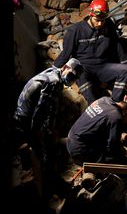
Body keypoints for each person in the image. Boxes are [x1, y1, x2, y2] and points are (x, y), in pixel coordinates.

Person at [12, 58, 83, 202]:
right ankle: (45, 193)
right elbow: (41, 116)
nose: (71, 80)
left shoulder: (50, 73)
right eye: (71, 75)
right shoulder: (53, 83)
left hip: (20, 117)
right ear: (64, 68)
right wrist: (44, 141)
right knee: (45, 157)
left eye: (75, 78)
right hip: (24, 125)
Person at [54, 0, 127, 104]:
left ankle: (115, 103)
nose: (100, 23)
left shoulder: (108, 25)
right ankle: (97, 111)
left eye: (102, 20)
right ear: (91, 15)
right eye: (97, 20)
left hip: (103, 67)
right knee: (93, 100)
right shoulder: (75, 30)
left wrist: (126, 63)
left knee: (126, 70)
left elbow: (117, 45)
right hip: (83, 69)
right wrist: (53, 72)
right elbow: (65, 54)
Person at [66, 95, 127, 165]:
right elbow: (112, 147)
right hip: (80, 150)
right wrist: (124, 157)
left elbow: (123, 123)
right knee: (120, 162)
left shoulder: (104, 100)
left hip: (72, 138)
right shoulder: (116, 117)